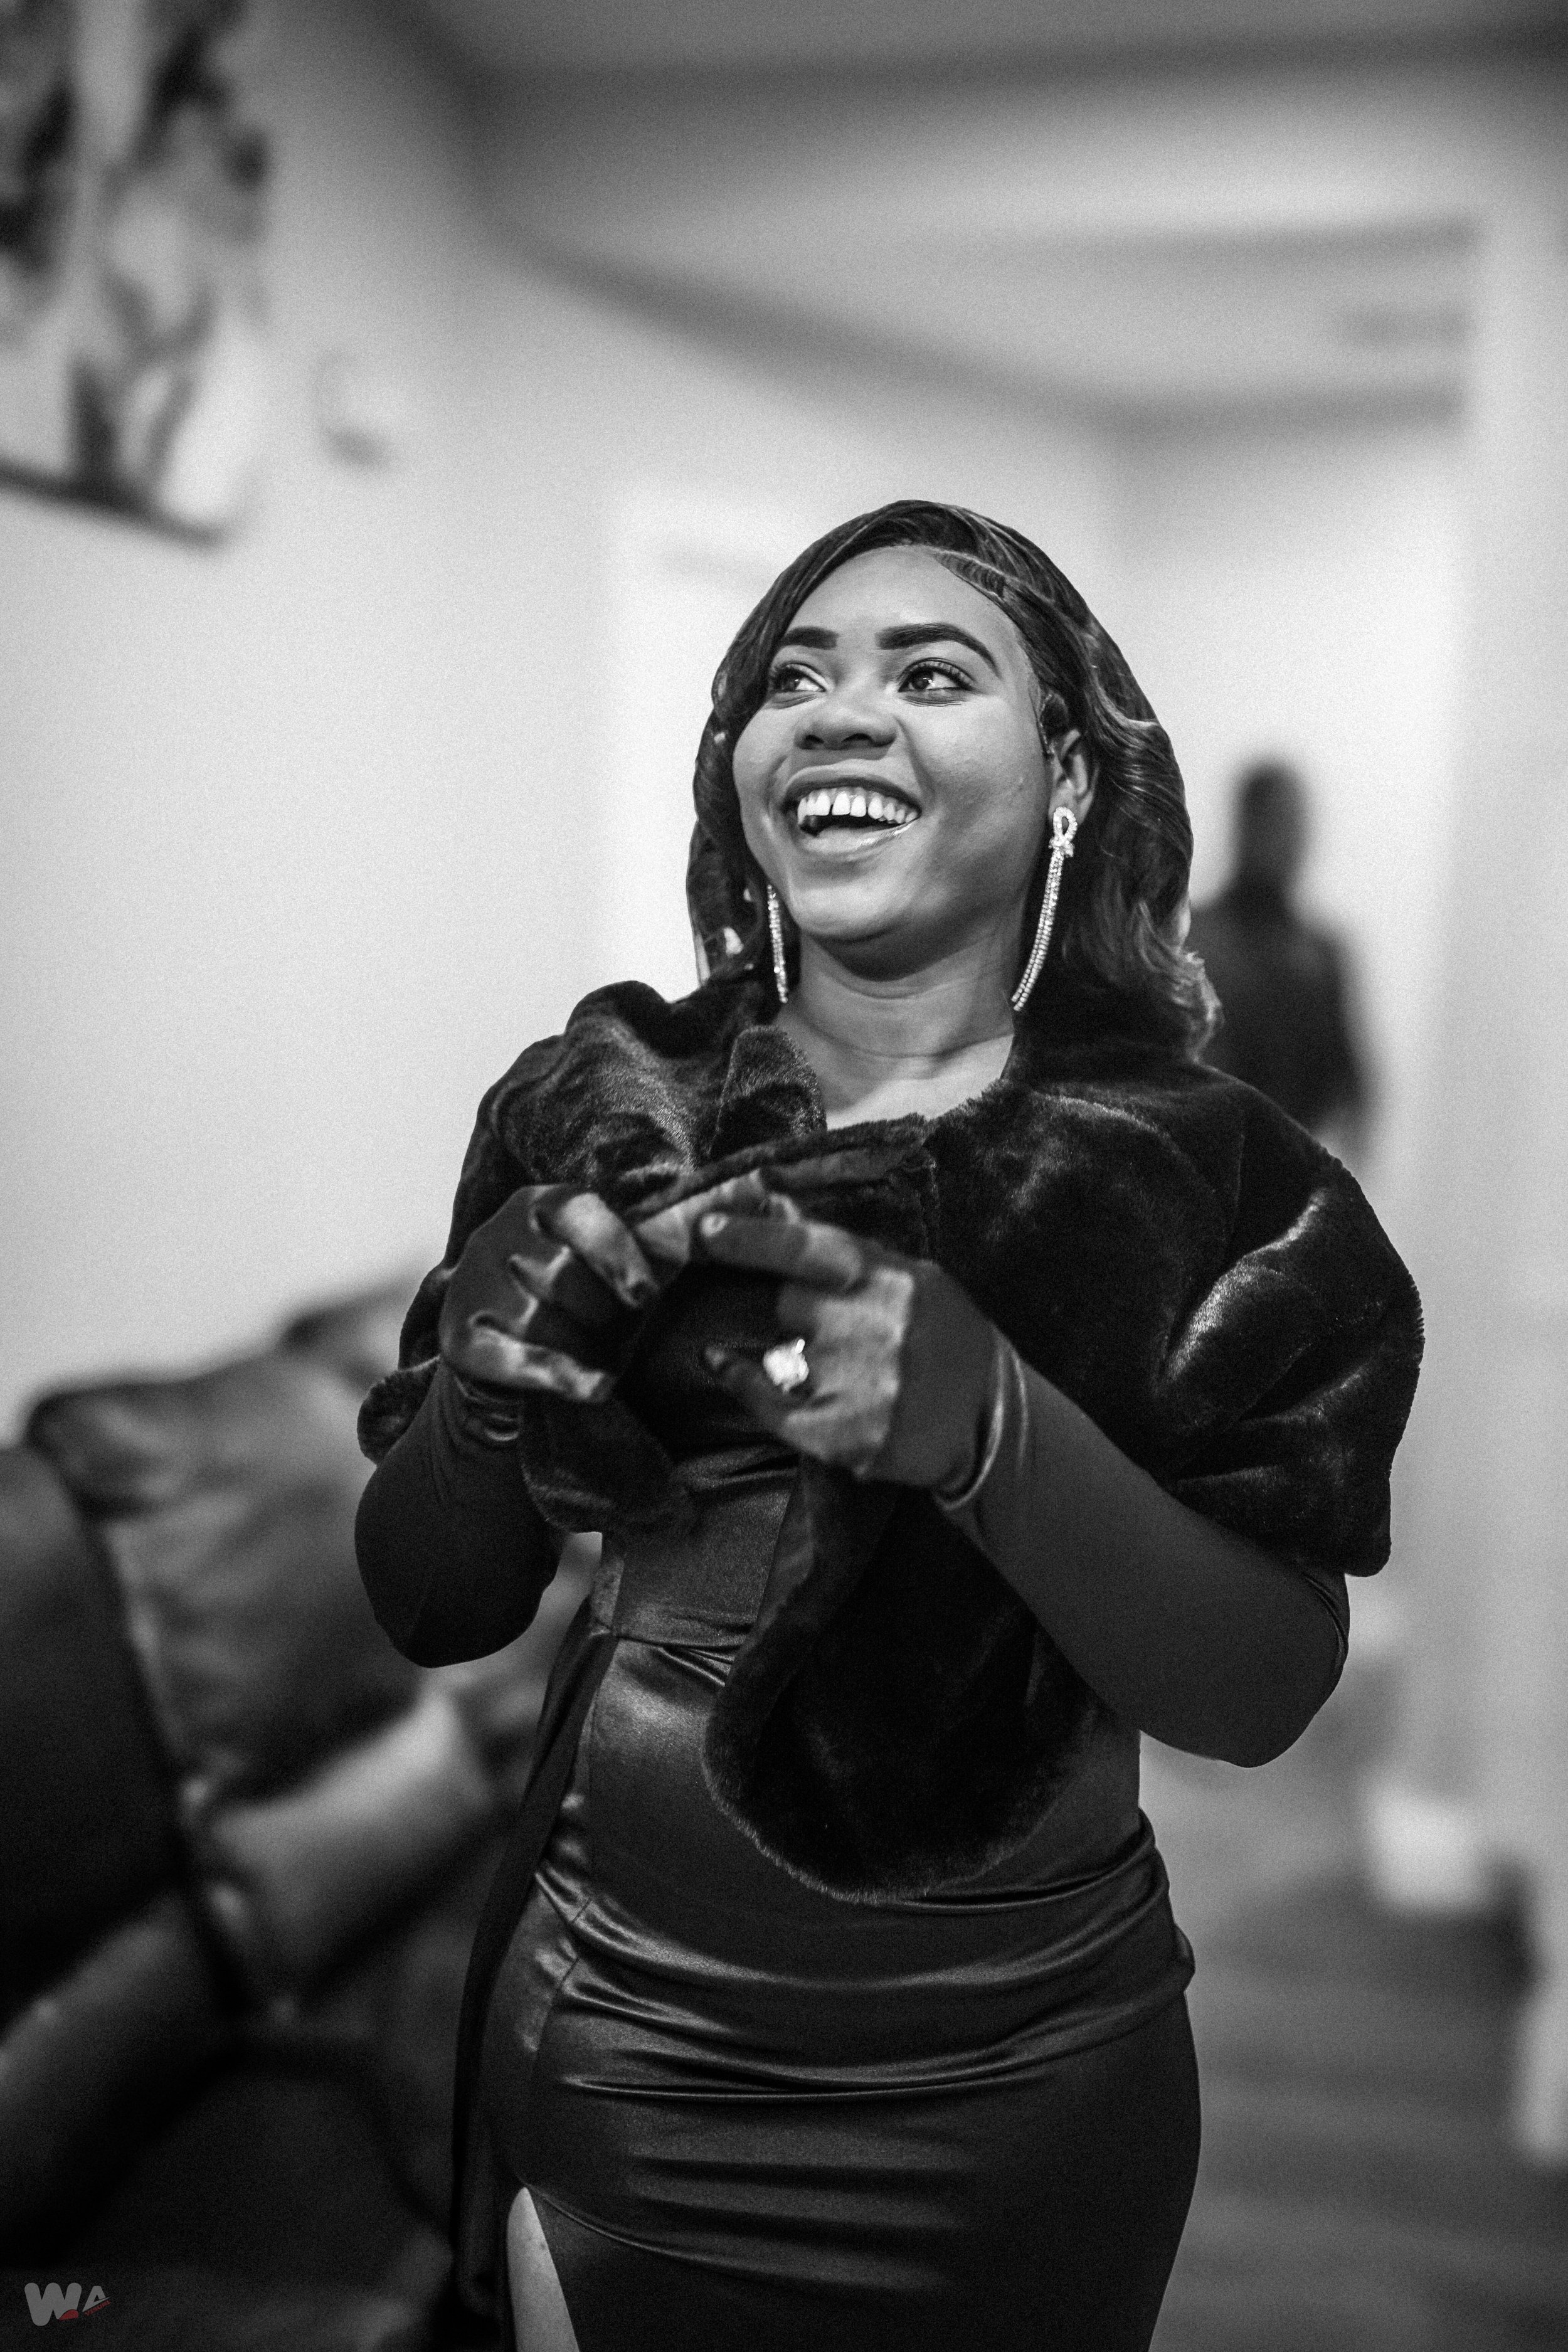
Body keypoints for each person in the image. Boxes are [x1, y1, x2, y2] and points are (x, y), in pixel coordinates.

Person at [355, 502, 1422, 2352]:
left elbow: (1257, 1691)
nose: (839, 715)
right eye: (793, 679)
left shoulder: (1211, 1184)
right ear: (743, 770)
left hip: (1028, 2076)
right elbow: (429, 1600)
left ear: (1069, 775)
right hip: (631, 2049)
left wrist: (988, 1428)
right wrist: (478, 1398)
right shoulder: (598, 1110)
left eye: (929, 674)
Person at [1186, 759, 1370, 1162]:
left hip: (1288, 1184)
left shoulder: (1321, 958)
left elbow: (1353, 1095)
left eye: (1295, 827)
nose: (1289, 842)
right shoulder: (1195, 941)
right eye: (1276, 824)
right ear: (1245, 828)